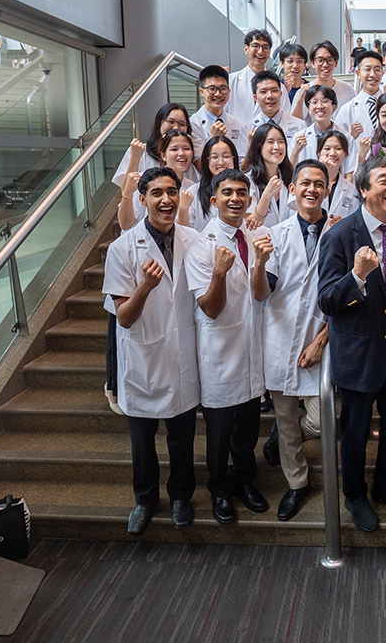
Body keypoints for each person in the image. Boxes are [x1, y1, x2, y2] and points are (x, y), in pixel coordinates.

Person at [318, 155, 386, 533]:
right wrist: (357, 276)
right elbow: (327, 300)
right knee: (356, 432)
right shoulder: (341, 235)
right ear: (363, 188)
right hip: (358, 354)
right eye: (384, 180)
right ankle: (355, 495)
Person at [103, 166, 202, 535]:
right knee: (142, 444)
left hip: (183, 358)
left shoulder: (195, 240)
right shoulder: (122, 248)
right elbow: (123, 318)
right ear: (142, 200)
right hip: (142, 363)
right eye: (157, 193)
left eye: (172, 192)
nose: (166, 200)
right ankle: (145, 500)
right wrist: (144, 287)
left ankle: (180, 497)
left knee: (182, 438)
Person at [185, 169, 272, 525]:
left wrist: (261, 263)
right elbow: (209, 306)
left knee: (248, 430)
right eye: (227, 192)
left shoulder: (256, 235)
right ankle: (219, 489)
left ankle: (244, 481)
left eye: (241, 192)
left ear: (249, 199)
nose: (235, 198)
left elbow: (260, 293)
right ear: (213, 199)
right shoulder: (200, 245)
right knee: (219, 434)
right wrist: (220, 271)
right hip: (220, 355)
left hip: (251, 351)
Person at [262, 160, 334, 522]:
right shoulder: (275, 234)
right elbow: (263, 292)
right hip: (279, 339)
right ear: (292, 189)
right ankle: (297, 483)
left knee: (323, 421)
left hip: (320, 341)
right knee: (287, 419)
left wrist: (320, 340)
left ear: (327, 190)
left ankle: (278, 441)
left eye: (319, 183)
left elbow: (345, 296)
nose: (311, 189)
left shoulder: (340, 234)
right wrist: (258, 264)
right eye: (304, 182)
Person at [118, 129, 197, 231]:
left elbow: (187, 233)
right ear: (163, 155)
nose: (181, 153)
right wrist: (127, 193)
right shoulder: (146, 180)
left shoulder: (193, 187)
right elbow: (125, 225)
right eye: (174, 149)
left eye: (186, 148)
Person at [111, 103, 193, 188]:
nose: (176, 127)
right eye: (171, 122)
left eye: (182, 124)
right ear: (160, 123)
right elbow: (125, 190)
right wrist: (135, 157)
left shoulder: (187, 156)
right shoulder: (140, 151)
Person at [290, 84, 356, 172]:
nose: (319, 106)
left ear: (333, 108)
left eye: (325, 101)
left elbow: (350, 172)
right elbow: (290, 172)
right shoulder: (299, 137)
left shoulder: (347, 138)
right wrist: (296, 151)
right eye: (314, 102)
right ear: (308, 109)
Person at [182, 135, 238, 234]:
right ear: (206, 161)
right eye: (215, 157)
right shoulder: (194, 192)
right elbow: (184, 232)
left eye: (226, 156)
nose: (221, 162)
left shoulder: (245, 190)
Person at [227, 29, 287, 122]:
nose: (260, 52)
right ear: (246, 49)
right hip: (237, 135)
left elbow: (285, 118)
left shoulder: (279, 86)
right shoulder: (230, 81)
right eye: (256, 46)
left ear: (269, 52)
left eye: (265, 47)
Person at [190, 64, 248, 159]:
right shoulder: (193, 124)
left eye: (223, 89)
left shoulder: (237, 124)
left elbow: (241, 162)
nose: (218, 94)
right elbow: (199, 166)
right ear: (202, 92)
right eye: (212, 89)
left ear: (229, 91)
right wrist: (213, 138)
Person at [244, 122, 294, 229]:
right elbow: (250, 225)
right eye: (270, 142)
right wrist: (266, 196)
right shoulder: (247, 181)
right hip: (260, 242)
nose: (277, 147)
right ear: (259, 148)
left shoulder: (291, 178)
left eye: (281, 141)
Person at [334, 49, 385, 152]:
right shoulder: (347, 110)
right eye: (367, 69)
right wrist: (351, 136)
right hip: (359, 165)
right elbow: (337, 145)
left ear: (382, 73)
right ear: (358, 73)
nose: (372, 74)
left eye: (377, 69)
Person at [249, 70, 304, 146]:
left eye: (274, 91)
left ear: (281, 94)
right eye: (263, 92)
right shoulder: (248, 128)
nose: (270, 96)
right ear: (255, 98)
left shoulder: (300, 126)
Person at [316, 129, 361, 221]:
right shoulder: (308, 183)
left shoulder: (351, 190)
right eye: (327, 148)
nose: (332, 153)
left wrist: (342, 225)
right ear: (319, 154)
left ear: (345, 155)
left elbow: (354, 221)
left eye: (338, 148)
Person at [299, 41, 355, 113]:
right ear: (313, 63)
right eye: (320, 60)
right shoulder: (305, 90)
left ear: (336, 63)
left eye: (329, 60)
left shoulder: (348, 89)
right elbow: (296, 122)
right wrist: (300, 99)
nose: (325, 64)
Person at [278, 43, 309, 108]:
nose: (295, 66)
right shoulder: (276, 87)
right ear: (282, 64)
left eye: (299, 61)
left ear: (305, 65)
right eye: (290, 61)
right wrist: (285, 90)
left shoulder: (309, 88)